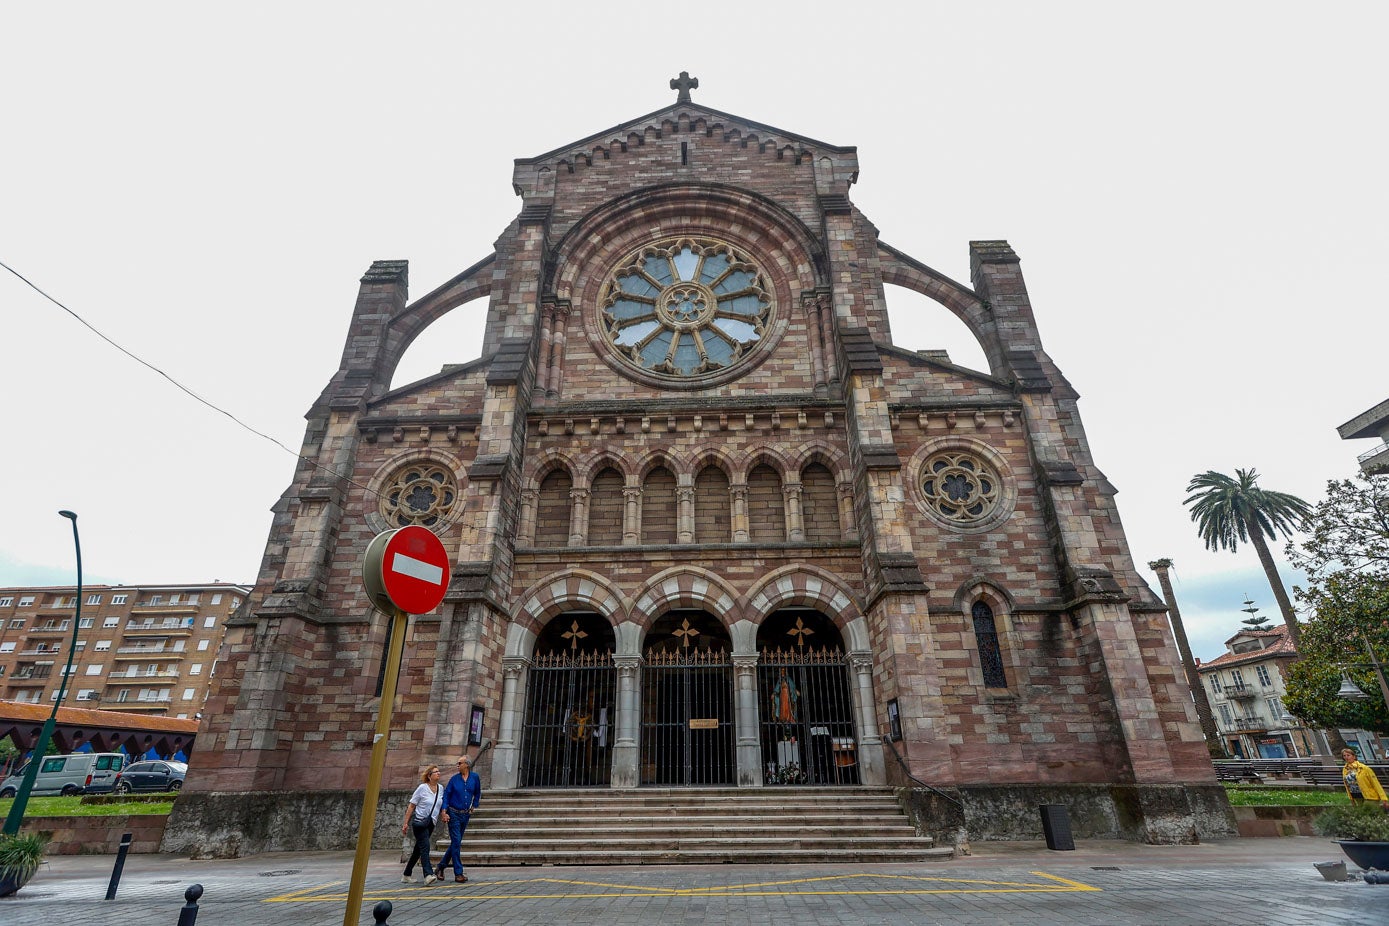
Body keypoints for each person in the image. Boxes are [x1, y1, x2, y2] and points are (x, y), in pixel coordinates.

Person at [435, 754, 482, 883]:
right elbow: (447, 795)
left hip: (465, 814)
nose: (457, 765)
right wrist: (444, 811)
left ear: (467, 765)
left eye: (460, 763)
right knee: (456, 842)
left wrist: (475, 805)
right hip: (453, 813)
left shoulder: (474, 778)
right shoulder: (454, 779)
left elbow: (477, 792)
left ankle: (441, 866)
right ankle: (458, 873)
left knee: (456, 842)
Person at [401, 765, 446, 884]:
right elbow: (412, 805)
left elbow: (441, 804)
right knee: (425, 847)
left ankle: (406, 874)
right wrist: (405, 823)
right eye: (435, 772)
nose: (438, 773)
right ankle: (428, 874)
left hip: (431, 822)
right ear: (429, 776)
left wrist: (443, 814)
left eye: (439, 771)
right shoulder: (422, 788)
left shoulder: (440, 788)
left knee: (418, 849)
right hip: (419, 822)